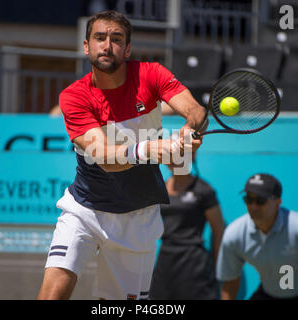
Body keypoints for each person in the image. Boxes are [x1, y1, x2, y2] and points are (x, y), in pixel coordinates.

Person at [37, 10, 207, 300]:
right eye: (99, 38)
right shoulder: (74, 97)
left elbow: (196, 110)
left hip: (137, 218)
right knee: (52, 295)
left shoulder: (152, 74)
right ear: (86, 46)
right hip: (85, 210)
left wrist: (189, 130)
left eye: (116, 39)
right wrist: (149, 149)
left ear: (127, 49)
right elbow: (104, 157)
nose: (107, 45)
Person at [216, 173, 298, 300]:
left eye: (260, 200)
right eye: (248, 199)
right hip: (269, 294)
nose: (253, 206)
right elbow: (230, 283)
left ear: (277, 203)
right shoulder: (234, 234)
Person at [149, 137, 225, 299]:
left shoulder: (204, 191)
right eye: (171, 154)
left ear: (192, 157)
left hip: (194, 264)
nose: (174, 159)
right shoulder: (159, 187)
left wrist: (217, 267)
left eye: (180, 154)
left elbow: (218, 231)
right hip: (165, 262)